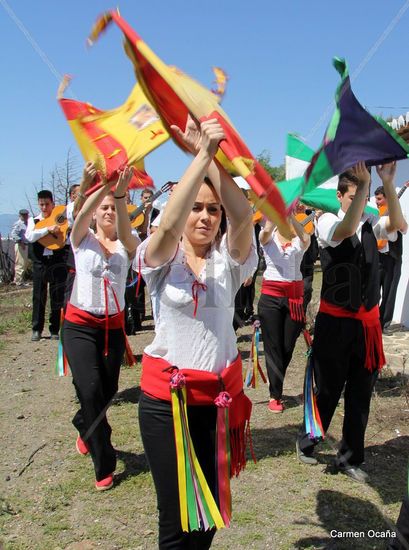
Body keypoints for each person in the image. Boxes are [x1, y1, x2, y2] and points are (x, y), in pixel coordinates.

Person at [136, 117, 257, 548]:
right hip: (167, 407)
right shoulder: (158, 261)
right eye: (196, 208)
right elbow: (167, 229)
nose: (205, 216)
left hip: (218, 404)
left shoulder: (231, 261)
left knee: (207, 517)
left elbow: (244, 215)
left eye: (212, 209)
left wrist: (211, 161)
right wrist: (201, 155)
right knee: (176, 521)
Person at [296, 162, 407, 482]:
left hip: (367, 327)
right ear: (340, 196)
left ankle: (350, 458)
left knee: (360, 393)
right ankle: (308, 441)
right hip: (335, 323)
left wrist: (386, 182)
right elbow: (344, 231)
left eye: (361, 195)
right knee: (328, 389)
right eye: (353, 194)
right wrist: (364, 186)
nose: (360, 201)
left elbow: (399, 224)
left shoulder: (372, 224)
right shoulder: (328, 222)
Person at [62, 166, 139, 491]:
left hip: (113, 329)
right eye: (103, 207)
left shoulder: (126, 243)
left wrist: (118, 195)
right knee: (90, 389)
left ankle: (84, 423)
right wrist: (96, 185)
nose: (108, 211)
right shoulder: (82, 239)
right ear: (94, 212)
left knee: (106, 394)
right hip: (79, 327)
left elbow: (130, 236)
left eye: (112, 207)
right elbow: (79, 215)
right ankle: (103, 462)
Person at [257, 215, 310, 412]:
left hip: (294, 299)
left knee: (287, 347)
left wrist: (292, 218)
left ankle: (276, 381)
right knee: (273, 346)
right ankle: (275, 394)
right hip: (271, 297)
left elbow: (306, 239)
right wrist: (276, 212)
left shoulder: (299, 239)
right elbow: (264, 233)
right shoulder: (268, 238)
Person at [25, 190, 68, 341]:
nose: (44, 208)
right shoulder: (34, 221)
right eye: (41, 204)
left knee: (57, 295)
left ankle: (54, 328)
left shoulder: (60, 218)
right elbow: (30, 236)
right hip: (40, 262)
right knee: (38, 295)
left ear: (52, 204)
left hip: (57, 261)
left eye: (47, 204)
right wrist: (46, 230)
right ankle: (36, 329)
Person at [64, 163, 98, 307]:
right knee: (71, 300)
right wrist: (84, 184)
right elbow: (76, 214)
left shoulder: (104, 202)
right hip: (77, 263)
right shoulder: (74, 205)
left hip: (98, 262)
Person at [374, 184, 407, 332]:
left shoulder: (397, 212)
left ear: (388, 199)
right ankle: (373, 321)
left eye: (379, 199)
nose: (377, 202)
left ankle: (384, 323)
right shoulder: (376, 213)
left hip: (392, 258)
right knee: (374, 291)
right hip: (378, 257)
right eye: (376, 199)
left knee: (389, 292)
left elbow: (403, 227)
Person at [10, 209, 30, 286]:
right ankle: (18, 281)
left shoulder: (27, 223)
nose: (25, 216)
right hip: (21, 245)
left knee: (24, 263)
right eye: (23, 215)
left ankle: (19, 280)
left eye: (26, 215)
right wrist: (20, 241)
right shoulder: (18, 224)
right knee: (20, 263)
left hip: (26, 245)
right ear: (20, 216)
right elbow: (14, 234)